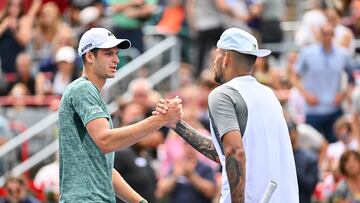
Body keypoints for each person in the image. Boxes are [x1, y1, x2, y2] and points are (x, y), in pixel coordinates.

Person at [155, 28, 299, 202]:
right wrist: (177, 125)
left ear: (226, 58)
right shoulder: (268, 94)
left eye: (216, 55)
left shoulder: (223, 94)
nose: (214, 61)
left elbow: (234, 151)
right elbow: (223, 153)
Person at [58, 27, 182, 202]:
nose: (116, 59)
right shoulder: (83, 89)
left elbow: (105, 168)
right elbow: (106, 141)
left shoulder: (89, 92)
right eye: (108, 54)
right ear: (90, 56)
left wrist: (140, 201)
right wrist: (161, 119)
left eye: (116, 53)